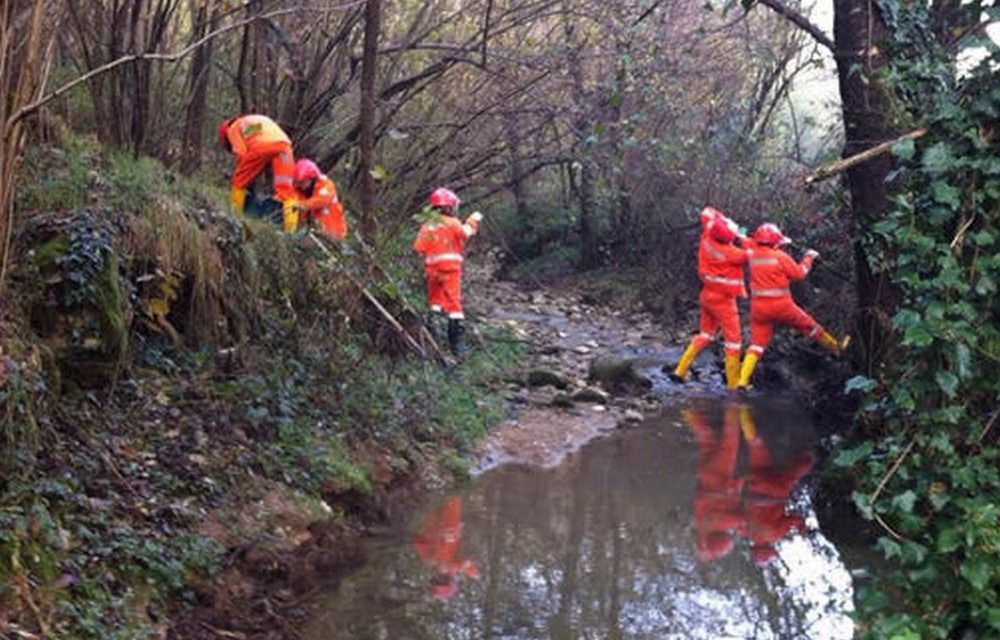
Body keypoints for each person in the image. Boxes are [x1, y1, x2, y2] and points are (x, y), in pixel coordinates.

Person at [737, 222, 850, 389]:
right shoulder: (780, 257)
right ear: (776, 243)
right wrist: (809, 257)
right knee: (810, 326)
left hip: (759, 310)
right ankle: (836, 349)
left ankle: (742, 381)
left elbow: (744, 239)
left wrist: (740, 232)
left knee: (757, 344)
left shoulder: (752, 251)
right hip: (783, 307)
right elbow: (800, 273)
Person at [671, 206, 749, 390]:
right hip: (724, 301)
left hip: (706, 295)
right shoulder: (733, 254)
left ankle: (680, 370)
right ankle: (732, 386)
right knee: (733, 342)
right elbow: (750, 250)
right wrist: (741, 232)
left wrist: (722, 221)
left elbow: (707, 212)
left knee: (705, 335)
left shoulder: (707, 237)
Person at [412, 187, 482, 354]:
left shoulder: (427, 225)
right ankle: (455, 347)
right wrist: (473, 219)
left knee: (434, 303)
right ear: (448, 207)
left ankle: (431, 339)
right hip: (451, 271)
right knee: (454, 308)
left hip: (432, 271)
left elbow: (418, 248)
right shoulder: (453, 223)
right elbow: (466, 233)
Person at [217, 114, 296, 224]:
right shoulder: (253, 121)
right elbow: (261, 136)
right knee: (286, 192)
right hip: (285, 145)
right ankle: (290, 231)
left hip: (262, 146)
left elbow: (241, 153)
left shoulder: (233, 128)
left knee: (238, 180)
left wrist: (243, 175)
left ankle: (234, 216)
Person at [411, 495, 478, 599]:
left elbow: (417, 541)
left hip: (431, 514)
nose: (439, 576)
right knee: (453, 496)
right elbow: (469, 566)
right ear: (449, 580)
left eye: (436, 580)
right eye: (442, 580)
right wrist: (469, 572)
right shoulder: (455, 566)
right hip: (450, 519)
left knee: (432, 497)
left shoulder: (430, 560)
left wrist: (429, 555)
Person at [289, 159, 347, 240]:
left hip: (333, 233)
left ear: (311, 178)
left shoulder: (326, 185)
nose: (300, 185)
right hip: (314, 234)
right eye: (299, 182)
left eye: (302, 182)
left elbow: (321, 201)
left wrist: (301, 205)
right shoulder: (301, 192)